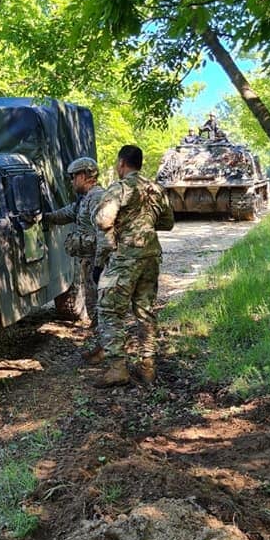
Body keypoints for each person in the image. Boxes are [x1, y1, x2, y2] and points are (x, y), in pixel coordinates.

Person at [93, 144, 175, 387]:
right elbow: (168, 222)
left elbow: (103, 220)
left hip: (125, 258)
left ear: (121, 164)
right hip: (150, 256)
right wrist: (144, 224)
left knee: (109, 310)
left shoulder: (120, 188)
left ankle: (118, 368)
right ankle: (147, 366)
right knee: (144, 311)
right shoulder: (156, 189)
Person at [44, 157, 106, 360]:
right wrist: (45, 217)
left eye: (73, 177)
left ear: (84, 176)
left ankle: (105, 350)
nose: (71, 182)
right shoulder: (85, 199)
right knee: (92, 305)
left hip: (98, 263)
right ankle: (101, 347)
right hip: (89, 262)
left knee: (100, 307)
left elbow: (105, 231)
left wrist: (99, 266)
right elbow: (68, 213)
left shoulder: (97, 198)